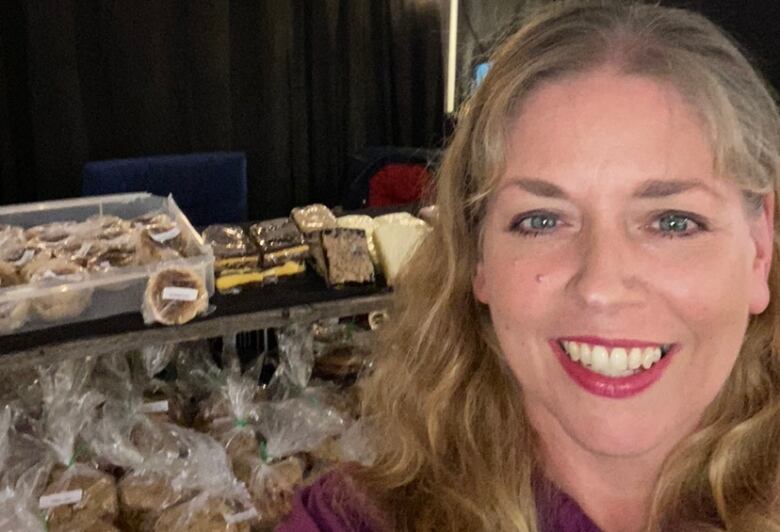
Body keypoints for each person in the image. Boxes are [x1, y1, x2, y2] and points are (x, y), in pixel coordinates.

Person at [278, 1, 780, 530]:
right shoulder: (351, 521)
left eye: (673, 222)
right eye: (542, 220)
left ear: (759, 250)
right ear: (478, 258)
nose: (602, 287)